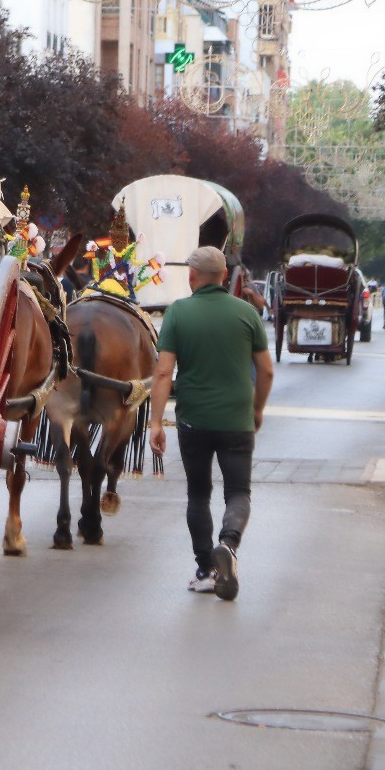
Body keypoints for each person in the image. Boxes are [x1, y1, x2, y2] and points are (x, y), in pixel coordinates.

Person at [148, 246, 274, 602]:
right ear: (223, 276)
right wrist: (258, 409)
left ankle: (205, 570)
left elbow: (162, 372)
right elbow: (265, 369)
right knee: (238, 492)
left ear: (191, 277)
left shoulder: (178, 313)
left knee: (198, 494)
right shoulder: (247, 313)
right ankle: (229, 545)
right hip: (237, 418)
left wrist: (156, 422)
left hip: (193, 419)